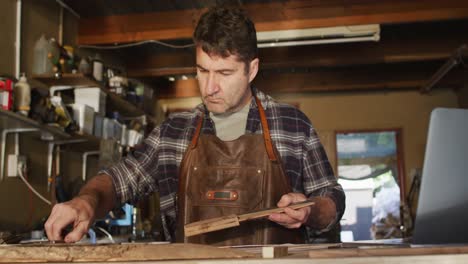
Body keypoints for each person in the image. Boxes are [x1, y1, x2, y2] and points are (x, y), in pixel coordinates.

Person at [45, 6, 345, 245]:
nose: (210, 87)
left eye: (224, 73)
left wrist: (311, 210)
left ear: (251, 69)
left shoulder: (292, 125)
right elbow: (118, 180)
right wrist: (85, 202)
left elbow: (331, 198)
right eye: (202, 70)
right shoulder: (174, 132)